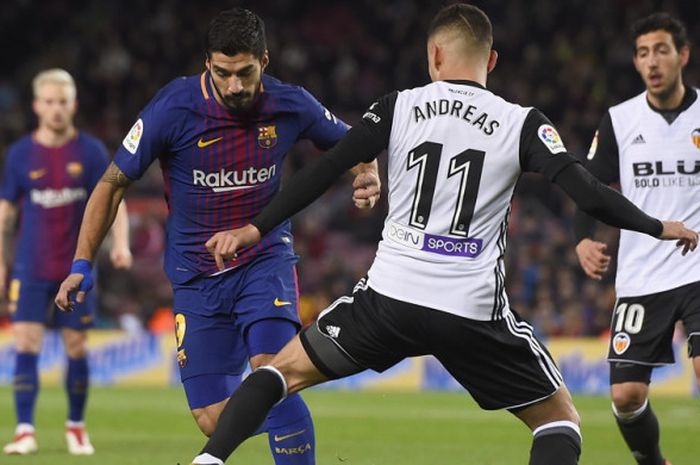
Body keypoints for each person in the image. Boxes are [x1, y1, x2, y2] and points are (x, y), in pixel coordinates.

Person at [188, 4, 699, 465]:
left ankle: (209, 462)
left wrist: (255, 227)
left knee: (280, 373)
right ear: (491, 60)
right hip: (470, 311)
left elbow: (324, 172)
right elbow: (588, 193)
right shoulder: (521, 123)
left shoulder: (398, 105)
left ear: (434, 55)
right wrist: (658, 225)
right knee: (559, 422)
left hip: (388, 300)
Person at [54, 8, 380, 465]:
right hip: (196, 277)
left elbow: (356, 142)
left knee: (273, 374)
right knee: (211, 417)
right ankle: (284, 424)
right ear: (207, 63)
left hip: (263, 262)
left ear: (264, 61)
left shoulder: (291, 103)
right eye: (223, 73)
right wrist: (82, 263)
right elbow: (111, 184)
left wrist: (367, 172)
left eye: (245, 72)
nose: (234, 86)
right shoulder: (173, 107)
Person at [573, 12, 699, 465]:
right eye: (643, 53)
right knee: (626, 395)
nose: (653, 61)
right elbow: (587, 185)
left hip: (697, 265)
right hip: (642, 273)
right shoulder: (620, 120)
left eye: (662, 50)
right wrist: (583, 238)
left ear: (682, 55)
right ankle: (653, 461)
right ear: (635, 62)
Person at [0, 68, 132, 456]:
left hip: (76, 267)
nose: (57, 109)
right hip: (31, 267)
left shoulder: (90, 151)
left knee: (76, 346)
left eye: (63, 102)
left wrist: (119, 244)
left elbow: (112, 199)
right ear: (37, 106)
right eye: (49, 102)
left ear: (73, 105)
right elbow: (5, 212)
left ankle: (76, 426)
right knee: (26, 342)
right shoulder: (21, 154)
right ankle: (25, 430)